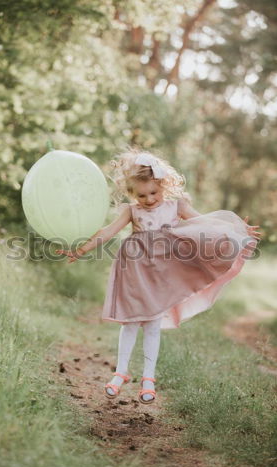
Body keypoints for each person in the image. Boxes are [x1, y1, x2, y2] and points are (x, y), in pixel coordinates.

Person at [56, 148, 261, 405]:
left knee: (152, 324)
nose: (149, 199)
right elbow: (107, 232)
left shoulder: (177, 206)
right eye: (141, 195)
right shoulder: (131, 211)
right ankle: (120, 372)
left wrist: (237, 229)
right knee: (130, 321)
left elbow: (206, 224)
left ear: (163, 185)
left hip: (163, 273)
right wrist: (82, 249)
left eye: (153, 192)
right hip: (135, 271)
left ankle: (148, 378)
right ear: (132, 193)